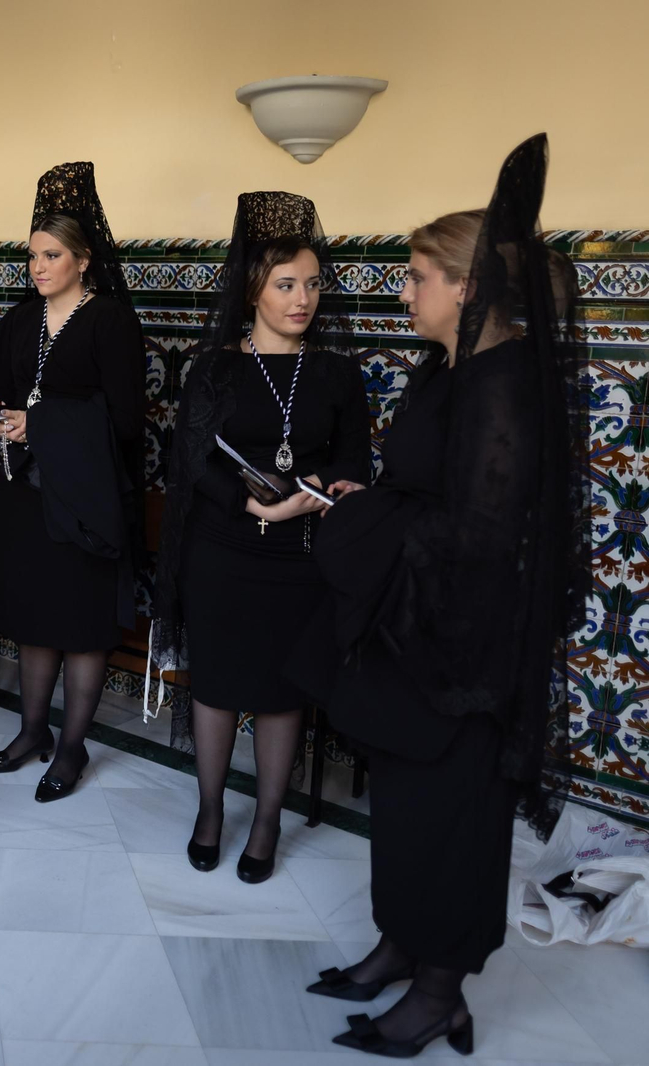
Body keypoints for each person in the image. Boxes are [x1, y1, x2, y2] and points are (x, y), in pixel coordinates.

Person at [292, 135, 588, 1057]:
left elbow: (479, 539)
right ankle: (396, 948)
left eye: (418, 276)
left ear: (466, 288)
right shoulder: (445, 371)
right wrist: (362, 501)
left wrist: (356, 527)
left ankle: (438, 992)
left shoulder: (503, 388)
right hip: (416, 628)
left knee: (458, 813)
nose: (405, 292)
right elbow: (425, 496)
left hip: (466, 644)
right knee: (411, 803)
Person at [146, 192, 371, 883]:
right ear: (252, 291)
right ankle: (211, 810)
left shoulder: (337, 373)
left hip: (298, 560)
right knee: (215, 686)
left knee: (280, 693)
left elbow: (354, 465)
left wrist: (301, 502)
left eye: (311, 284)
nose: (301, 298)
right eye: (285, 285)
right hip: (221, 551)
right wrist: (247, 501)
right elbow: (190, 456)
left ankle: (267, 821)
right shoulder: (216, 367)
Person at [0, 162, 145, 802]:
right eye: (32, 257)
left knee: (80, 625)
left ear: (83, 259)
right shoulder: (19, 321)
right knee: (34, 619)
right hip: (25, 495)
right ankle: (30, 734)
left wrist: (38, 423)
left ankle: (71, 749)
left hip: (86, 501)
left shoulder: (111, 322)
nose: (38, 267)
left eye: (51, 256)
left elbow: (127, 421)